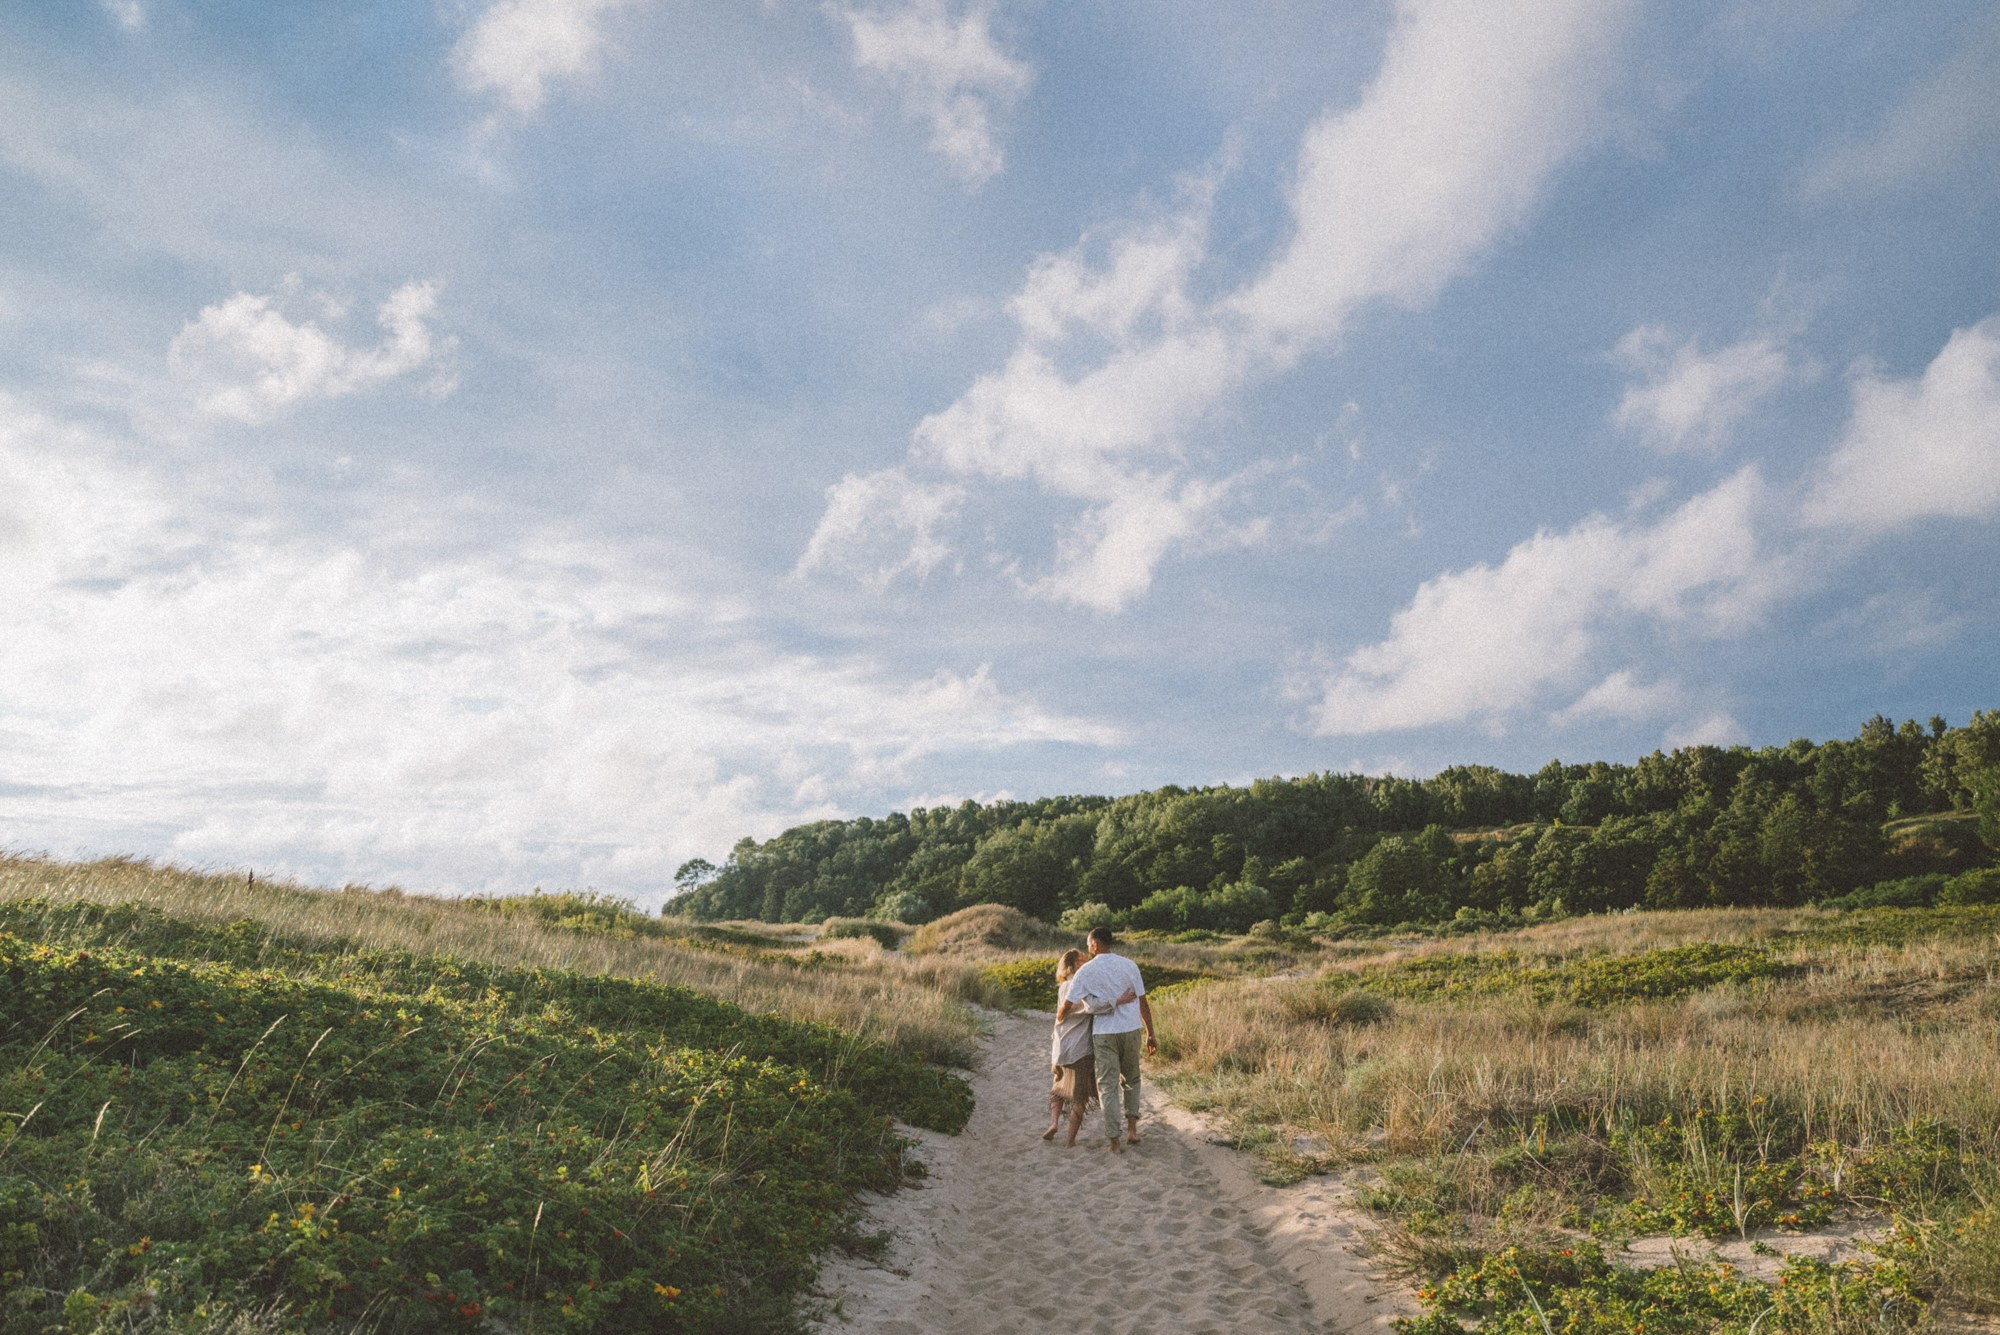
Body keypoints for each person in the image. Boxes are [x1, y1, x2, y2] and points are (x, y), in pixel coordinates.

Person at [1066, 926, 1156, 1152]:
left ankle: (1114, 1140)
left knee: (1107, 1085)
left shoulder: (1086, 971)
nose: (1088, 948)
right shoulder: (1130, 965)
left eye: (1088, 945)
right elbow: (1143, 1003)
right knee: (1132, 1079)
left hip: (1105, 1033)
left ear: (1095, 944)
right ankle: (1132, 1130)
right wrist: (1151, 1033)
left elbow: (1067, 1004)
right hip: (1131, 1029)